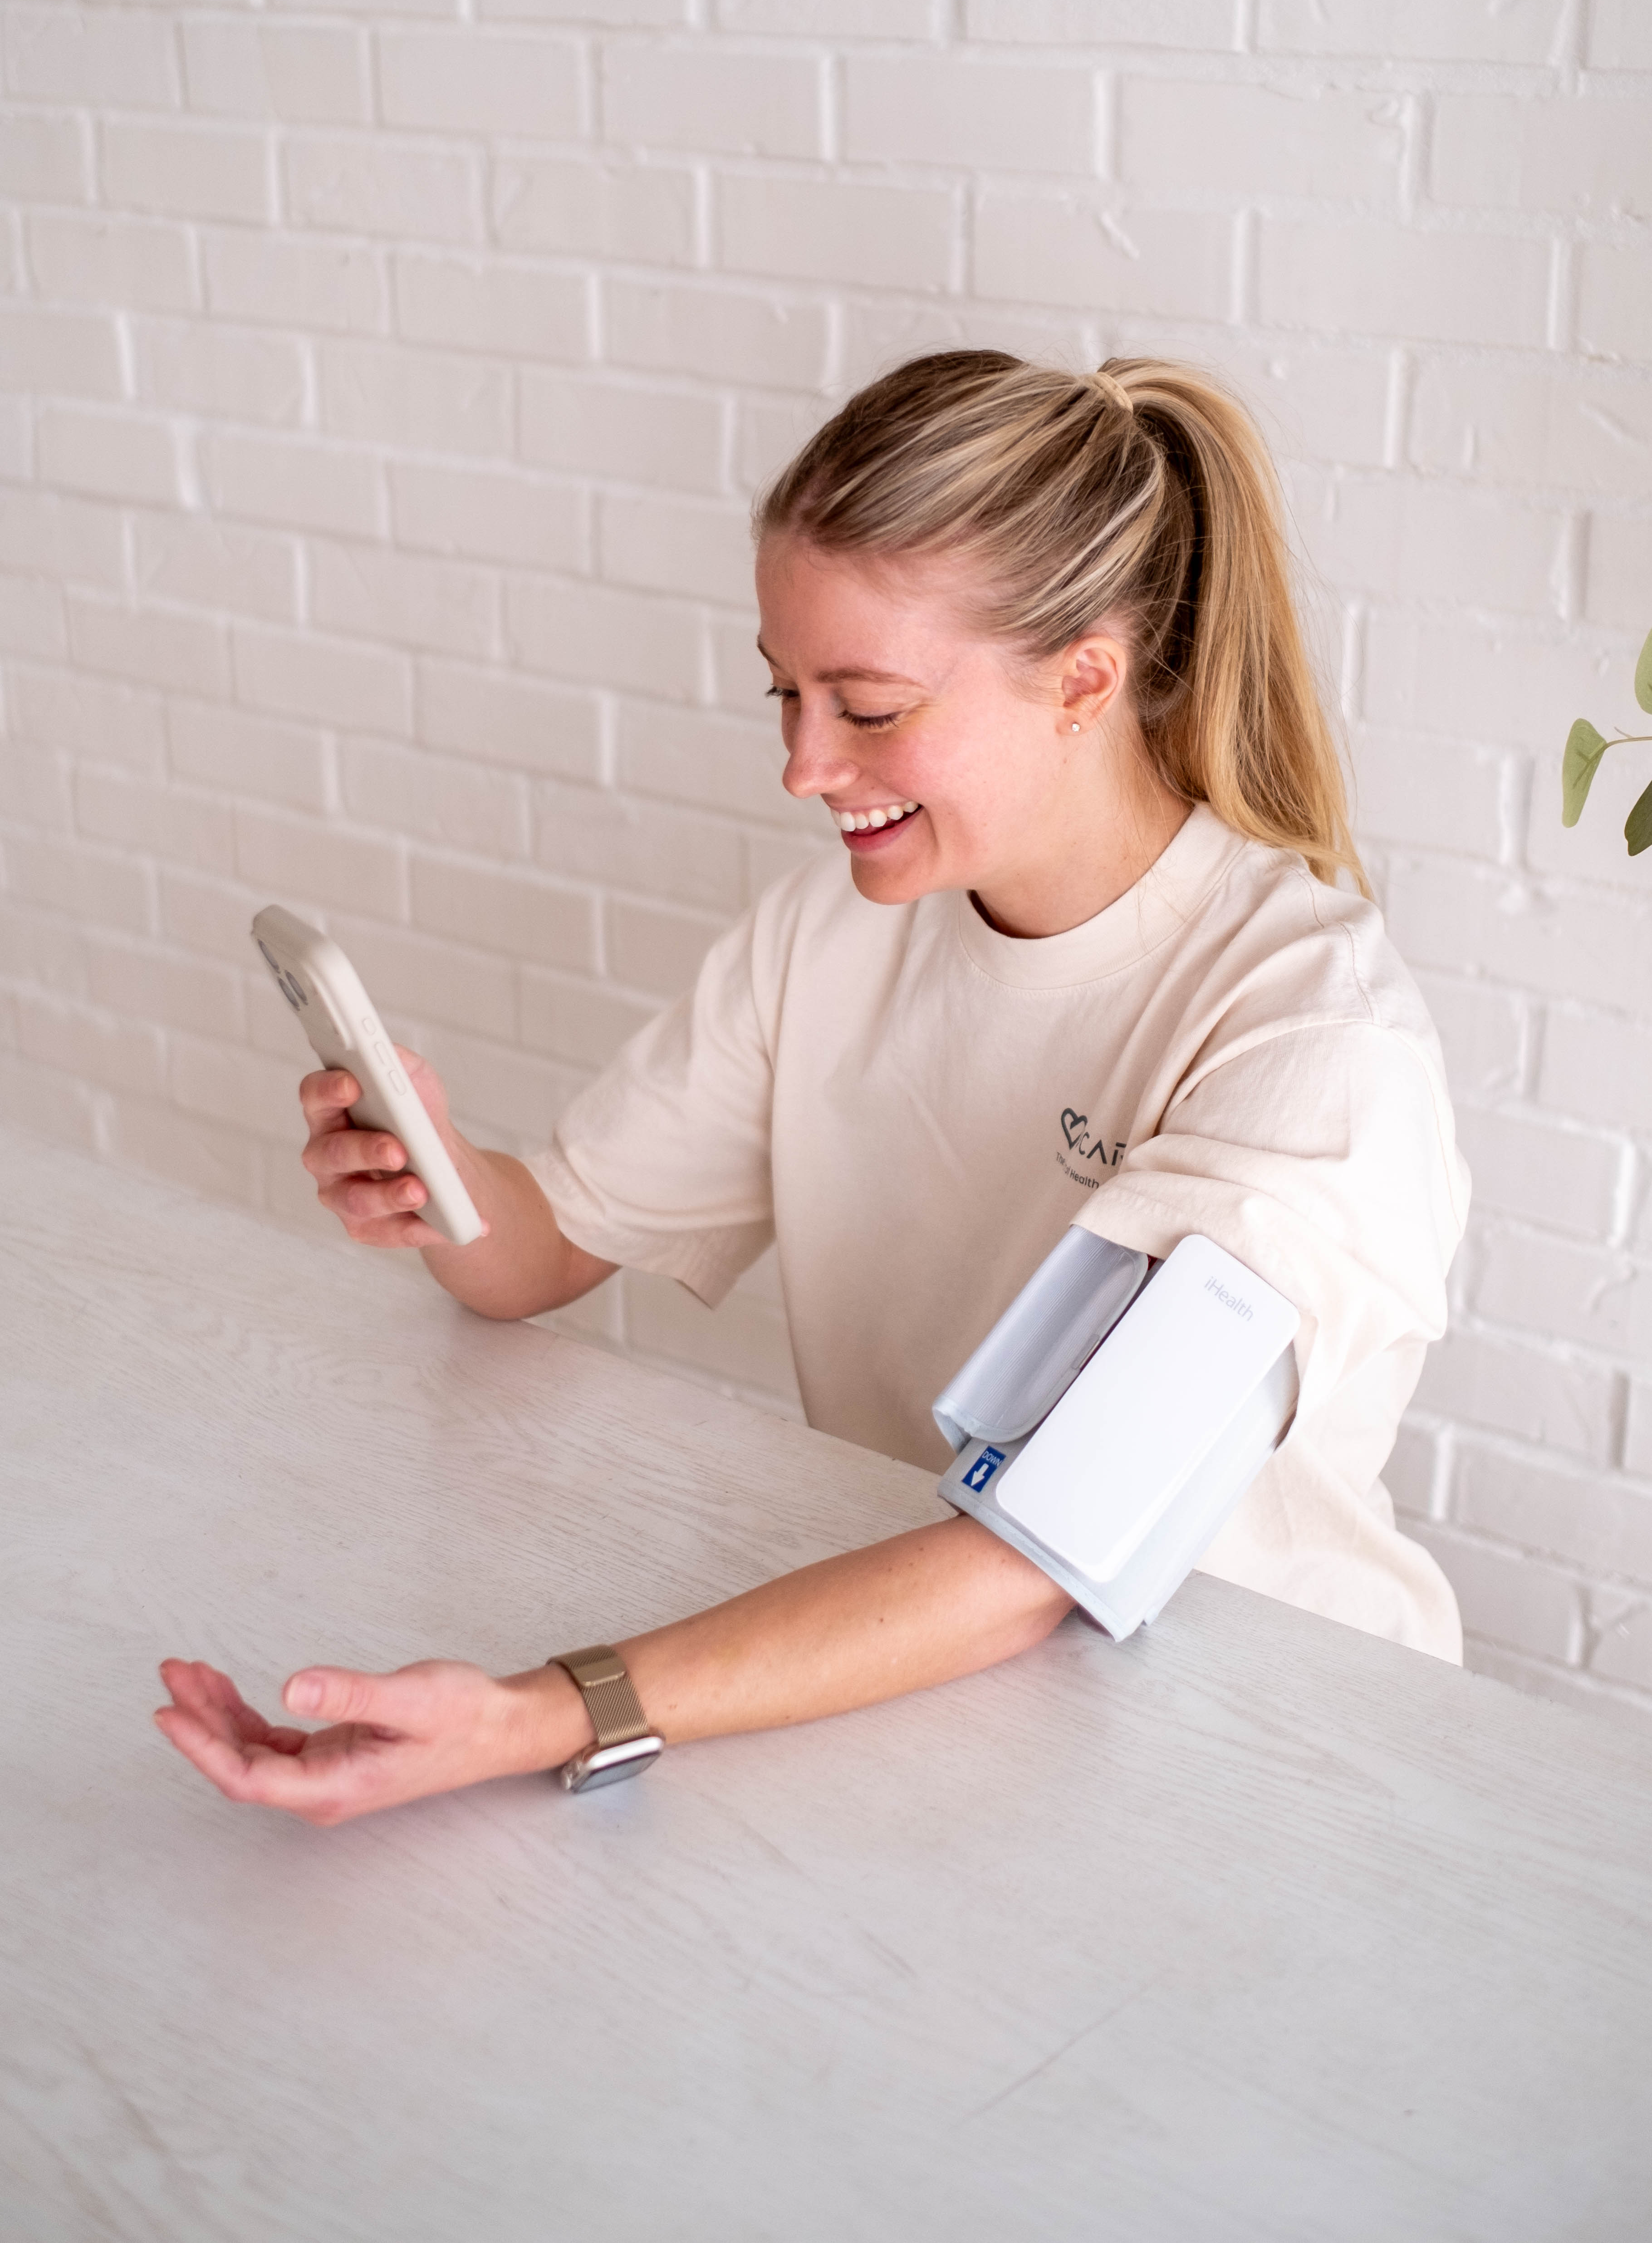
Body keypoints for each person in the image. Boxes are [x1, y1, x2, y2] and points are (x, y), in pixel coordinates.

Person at [156, 352, 1469, 1826]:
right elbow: (546, 1252)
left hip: (1269, 1757)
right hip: (936, 1694)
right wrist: (437, 1177)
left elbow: (1044, 1548)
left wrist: (547, 1714)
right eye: (785, 693)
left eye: (869, 707)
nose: (801, 766)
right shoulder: (832, 935)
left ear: (1083, 681)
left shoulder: (1314, 1040)